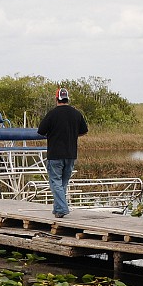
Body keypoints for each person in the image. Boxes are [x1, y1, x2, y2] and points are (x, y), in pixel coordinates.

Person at [37, 87, 88, 217]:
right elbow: (84, 131)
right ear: (67, 99)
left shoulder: (52, 114)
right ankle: (58, 210)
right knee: (63, 183)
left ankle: (63, 208)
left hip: (55, 155)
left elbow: (41, 131)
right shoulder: (76, 114)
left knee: (55, 182)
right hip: (71, 154)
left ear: (56, 99)